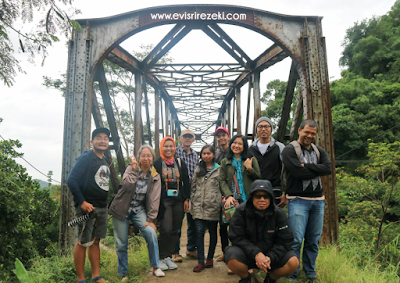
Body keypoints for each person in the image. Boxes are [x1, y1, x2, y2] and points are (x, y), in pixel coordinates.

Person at [279, 119, 332, 282]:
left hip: (318, 201)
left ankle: (310, 273)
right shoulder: (289, 150)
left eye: (313, 133)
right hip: (297, 200)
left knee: (313, 240)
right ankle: (292, 274)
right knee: (296, 239)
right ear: (300, 130)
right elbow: (297, 173)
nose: (309, 136)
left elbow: (328, 168)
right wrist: (316, 170)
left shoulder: (319, 150)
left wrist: (305, 166)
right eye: (307, 132)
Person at [225, 180, 299, 283]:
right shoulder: (241, 211)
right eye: (258, 196)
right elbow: (236, 237)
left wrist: (270, 257)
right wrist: (256, 254)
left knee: (293, 262)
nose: (262, 199)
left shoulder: (279, 214)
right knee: (231, 257)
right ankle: (246, 278)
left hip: (271, 256)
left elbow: (285, 240)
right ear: (251, 197)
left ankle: (270, 279)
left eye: (266, 196)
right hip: (248, 254)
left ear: (271, 198)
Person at [109, 145, 165, 280]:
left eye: (149, 156)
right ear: (139, 157)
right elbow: (127, 185)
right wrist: (134, 171)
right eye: (143, 155)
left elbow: (154, 199)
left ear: (152, 158)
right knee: (122, 243)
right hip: (121, 209)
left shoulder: (155, 176)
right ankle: (123, 273)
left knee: (151, 233)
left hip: (138, 210)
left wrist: (150, 219)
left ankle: (155, 267)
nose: (146, 158)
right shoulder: (130, 168)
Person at [67, 127, 111, 283]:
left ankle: (96, 276)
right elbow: (71, 180)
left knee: (96, 241)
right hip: (87, 207)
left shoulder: (104, 159)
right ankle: (80, 279)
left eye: (105, 138)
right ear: (92, 142)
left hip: (101, 206)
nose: (102, 140)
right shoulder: (86, 157)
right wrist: (82, 202)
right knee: (83, 241)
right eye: (98, 137)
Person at [219, 134, 261, 274]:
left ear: (244, 146)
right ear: (231, 144)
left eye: (240, 143)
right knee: (235, 232)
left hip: (248, 200)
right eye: (234, 143)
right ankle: (237, 262)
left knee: (251, 231)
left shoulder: (250, 159)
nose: (236, 145)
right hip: (233, 202)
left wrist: (249, 168)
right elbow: (222, 180)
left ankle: (253, 264)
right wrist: (228, 195)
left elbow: (258, 178)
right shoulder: (225, 161)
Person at [153, 136, 190, 271]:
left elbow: (186, 181)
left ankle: (168, 256)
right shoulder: (156, 163)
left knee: (175, 229)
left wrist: (186, 199)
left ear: (175, 147)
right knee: (166, 229)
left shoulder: (179, 162)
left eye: (171, 146)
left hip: (178, 200)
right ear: (161, 147)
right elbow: (151, 183)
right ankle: (159, 257)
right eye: (166, 146)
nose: (169, 149)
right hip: (164, 201)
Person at [190, 145, 221, 272]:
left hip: (213, 206)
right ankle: (200, 261)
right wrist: (192, 201)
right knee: (199, 233)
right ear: (201, 155)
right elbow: (193, 187)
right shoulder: (198, 169)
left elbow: (222, 187)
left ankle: (210, 259)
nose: (206, 155)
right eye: (204, 153)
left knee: (213, 233)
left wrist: (218, 201)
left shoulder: (219, 170)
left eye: (209, 153)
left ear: (213, 154)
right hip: (198, 207)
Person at [173, 129, 199, 262]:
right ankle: (175, 252)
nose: (187, 139)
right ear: (180, 138)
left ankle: (191, 248)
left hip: (192, 192)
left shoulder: (195, 156)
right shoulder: (175, 151)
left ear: (194, 140)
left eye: (190, 137)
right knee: (177, 222)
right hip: (178, 191)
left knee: (192, 221)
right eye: (185, 137)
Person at [249, 117, 285, 205]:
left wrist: (287, 194)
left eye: (266, 126)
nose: (263, 129)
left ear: (271, 129)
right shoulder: (250, 149)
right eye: (260, 126)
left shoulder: (280, 147)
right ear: (256, 129)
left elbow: (287, 170)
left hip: (275, 190)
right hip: (256, 191)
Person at [213, 126, 231, 263]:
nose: (221, 138)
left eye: (223, 135)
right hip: (221, 195)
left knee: (237, 225)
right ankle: (225, 253)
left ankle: (237, 254)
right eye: (218, 136)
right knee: (223, 226)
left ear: (228, 136)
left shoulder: (235, 150)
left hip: (234, 194)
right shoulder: (216, 154)